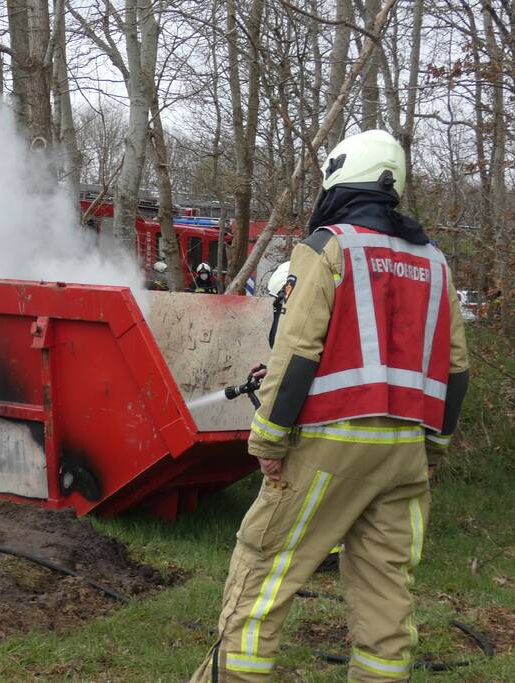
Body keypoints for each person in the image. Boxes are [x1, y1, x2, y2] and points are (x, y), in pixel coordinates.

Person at [190, 129, 469, 682]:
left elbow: (296, 355)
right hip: (406, 455)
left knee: (263, 569)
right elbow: (456, 368)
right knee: (385, 592)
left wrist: (268, 439)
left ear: (342, 177)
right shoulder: (435, 262)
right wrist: (435, 445)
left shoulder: (329, 246)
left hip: (330, 446)